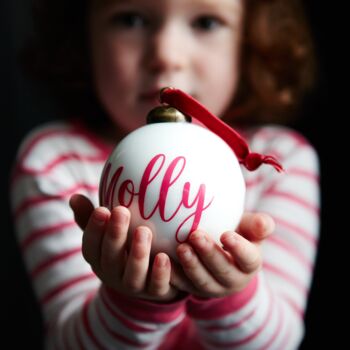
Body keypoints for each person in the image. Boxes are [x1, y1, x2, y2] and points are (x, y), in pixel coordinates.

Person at [10, 0, 320, 349]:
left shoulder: (280, 162)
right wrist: (133, 301)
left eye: (206, 22)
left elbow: (280, 343)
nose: (167, 55)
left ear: (249, 41)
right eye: (131, 19)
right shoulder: (53, 162)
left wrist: (227, 291)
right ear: (81, 34)